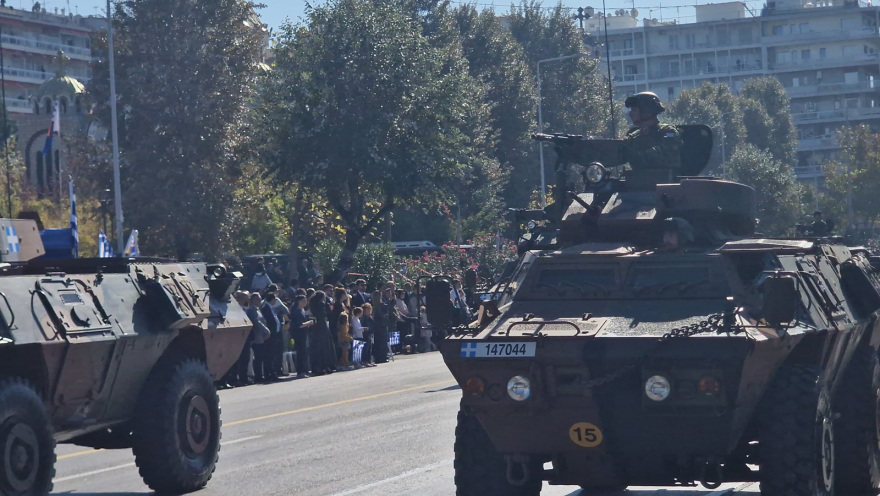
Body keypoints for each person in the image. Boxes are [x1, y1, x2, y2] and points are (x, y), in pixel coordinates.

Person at [622, 91, 683, 190]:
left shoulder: (668, 132)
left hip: (666, 185)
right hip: (637, 185)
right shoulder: (633, 136)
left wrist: (635, 155)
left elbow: (663, 152)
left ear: (646, 110)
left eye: (634, 109)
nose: (630, 113)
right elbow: (620, 151)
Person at [289, 294, 313, 378]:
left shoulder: (302, 310)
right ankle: (300, 371)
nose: (305, 302)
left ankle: (305, 370)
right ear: (299, 301)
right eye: (303, 301)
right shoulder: (296, 311)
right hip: (299, 334)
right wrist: (309, 323)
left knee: (304, 352)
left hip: (304, 333)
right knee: (301, 353)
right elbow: (299, 325)